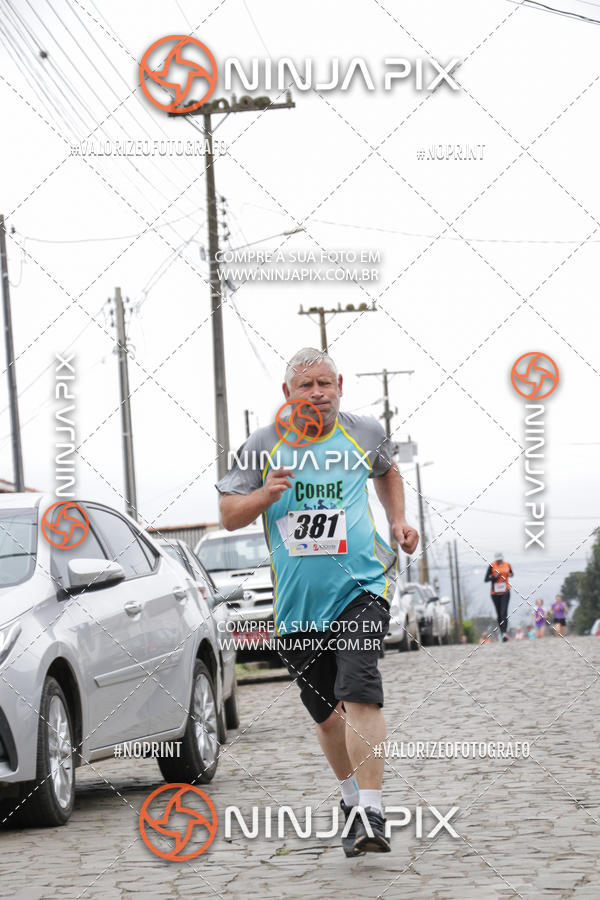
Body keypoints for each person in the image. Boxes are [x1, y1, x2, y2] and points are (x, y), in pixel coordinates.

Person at [216, 348, 419, 857]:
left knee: (360, 692)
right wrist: (264, 496)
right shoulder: (263, 444)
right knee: (327, 716)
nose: (317, 393)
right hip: (298, 606)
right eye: (306, 385)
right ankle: (351, 801)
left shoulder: (363, 432)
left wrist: (397, 520)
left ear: (340, 385)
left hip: (362, 589)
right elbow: (228, 514)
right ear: (287, 393)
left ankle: (372, 810)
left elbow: (387, 470)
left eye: (325, 383)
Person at [484, 553, 513, 642]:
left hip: (505, 591)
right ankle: (501, 631)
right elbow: (486, 579)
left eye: (500, 560)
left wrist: (509, 574)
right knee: (499, 614)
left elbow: (511, 574)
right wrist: (494, 577)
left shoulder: (507, 565)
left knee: (504, 612)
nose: (499, 561)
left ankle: (504, 633)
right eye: (498, 560)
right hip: (495, 593)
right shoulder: (492, 566)